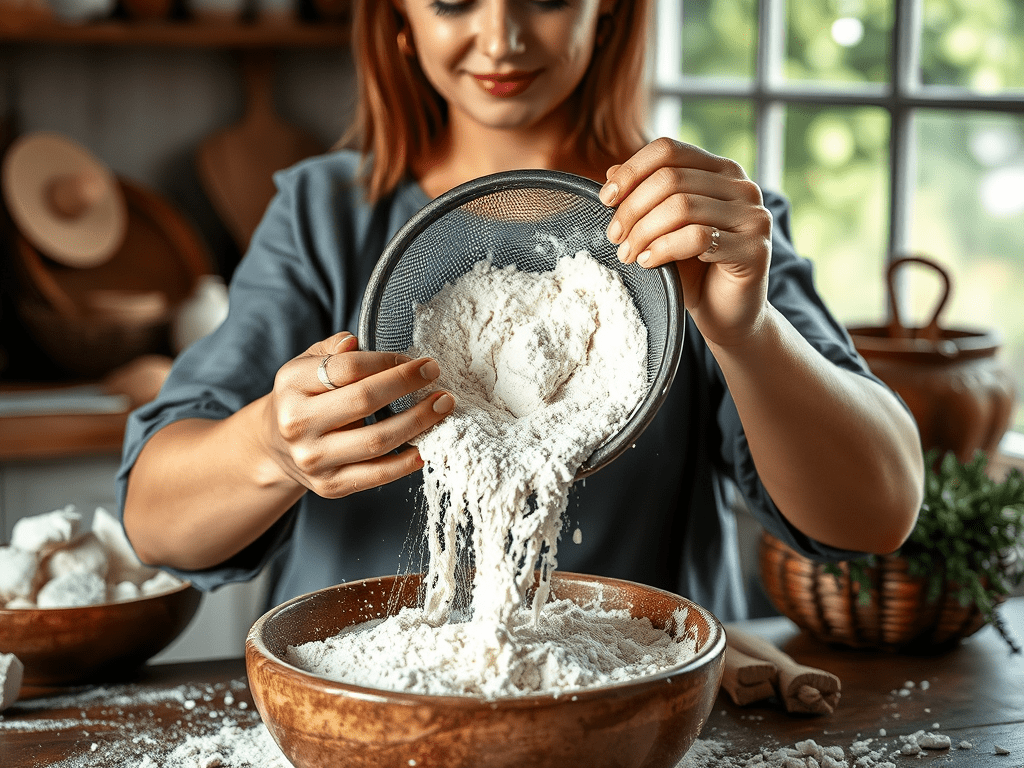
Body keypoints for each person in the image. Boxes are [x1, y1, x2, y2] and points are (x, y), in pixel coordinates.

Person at [117, 0, 924, 622]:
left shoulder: (693, 227)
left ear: (608, 7)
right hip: (363, 710)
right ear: (398, 14)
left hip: (621, 714)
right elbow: (155, 522)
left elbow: (878, 512)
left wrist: (748, 333)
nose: (500, 38)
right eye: (453, 2)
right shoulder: (325, 218)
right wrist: (271, 444)